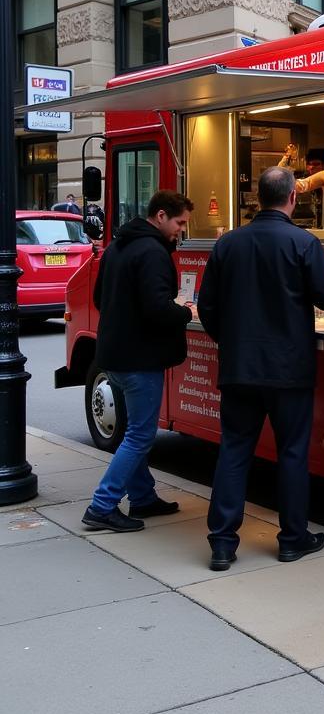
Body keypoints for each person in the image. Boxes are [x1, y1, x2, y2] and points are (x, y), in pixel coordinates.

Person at [198, 166, 324, 570]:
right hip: (289, 370)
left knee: (233, 450)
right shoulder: (303, 242)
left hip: (240, 368)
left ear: (259, 198)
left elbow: (206, 306)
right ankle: (292, 540)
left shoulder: (228, 244)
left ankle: (223, 544)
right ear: (292, 199)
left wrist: (230, 341)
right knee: (293, 454)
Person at [81, 191, 196, 532]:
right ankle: (102, 505)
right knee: (141, 436)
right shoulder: (153, 253)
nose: (181, 231)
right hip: (139, 359)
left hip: (113, 356)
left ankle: (143, 497)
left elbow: (100, 296)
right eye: (180, 223)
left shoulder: (118, 246)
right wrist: (184, 311)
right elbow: (158, 308)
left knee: (135, 429)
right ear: (160, 216)